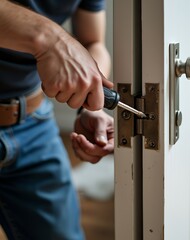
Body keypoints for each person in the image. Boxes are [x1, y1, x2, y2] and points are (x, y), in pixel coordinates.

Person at [0, 0, 114, 239]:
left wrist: (91, 104)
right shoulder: (50, 37)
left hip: (32, 123)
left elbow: (93, 43)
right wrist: (50, 38)